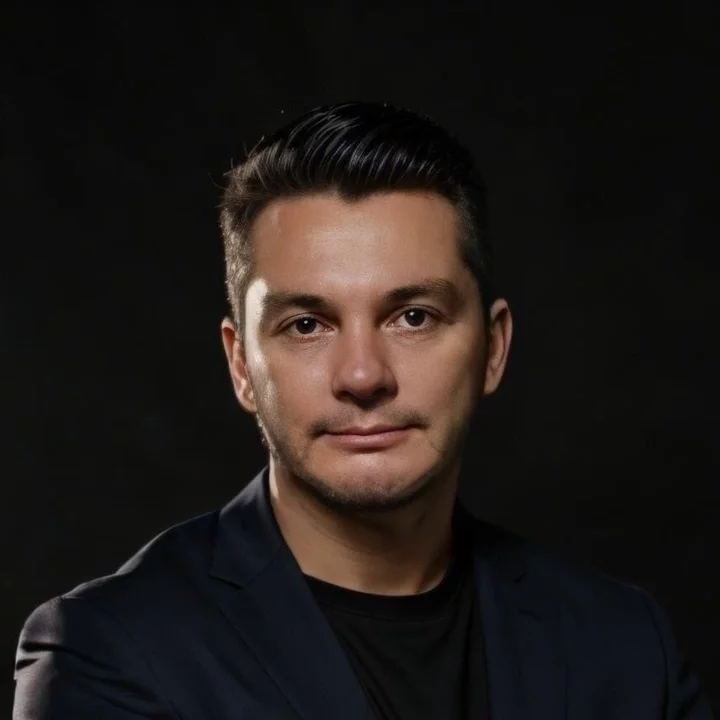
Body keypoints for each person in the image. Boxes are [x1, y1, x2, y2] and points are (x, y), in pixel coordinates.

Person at [13, 102, 713, 719]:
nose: (362, 375)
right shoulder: (110, 654)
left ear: (493, 348)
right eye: (306, 325)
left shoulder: (622, 645)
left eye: (413, 316)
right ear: (241, 366)